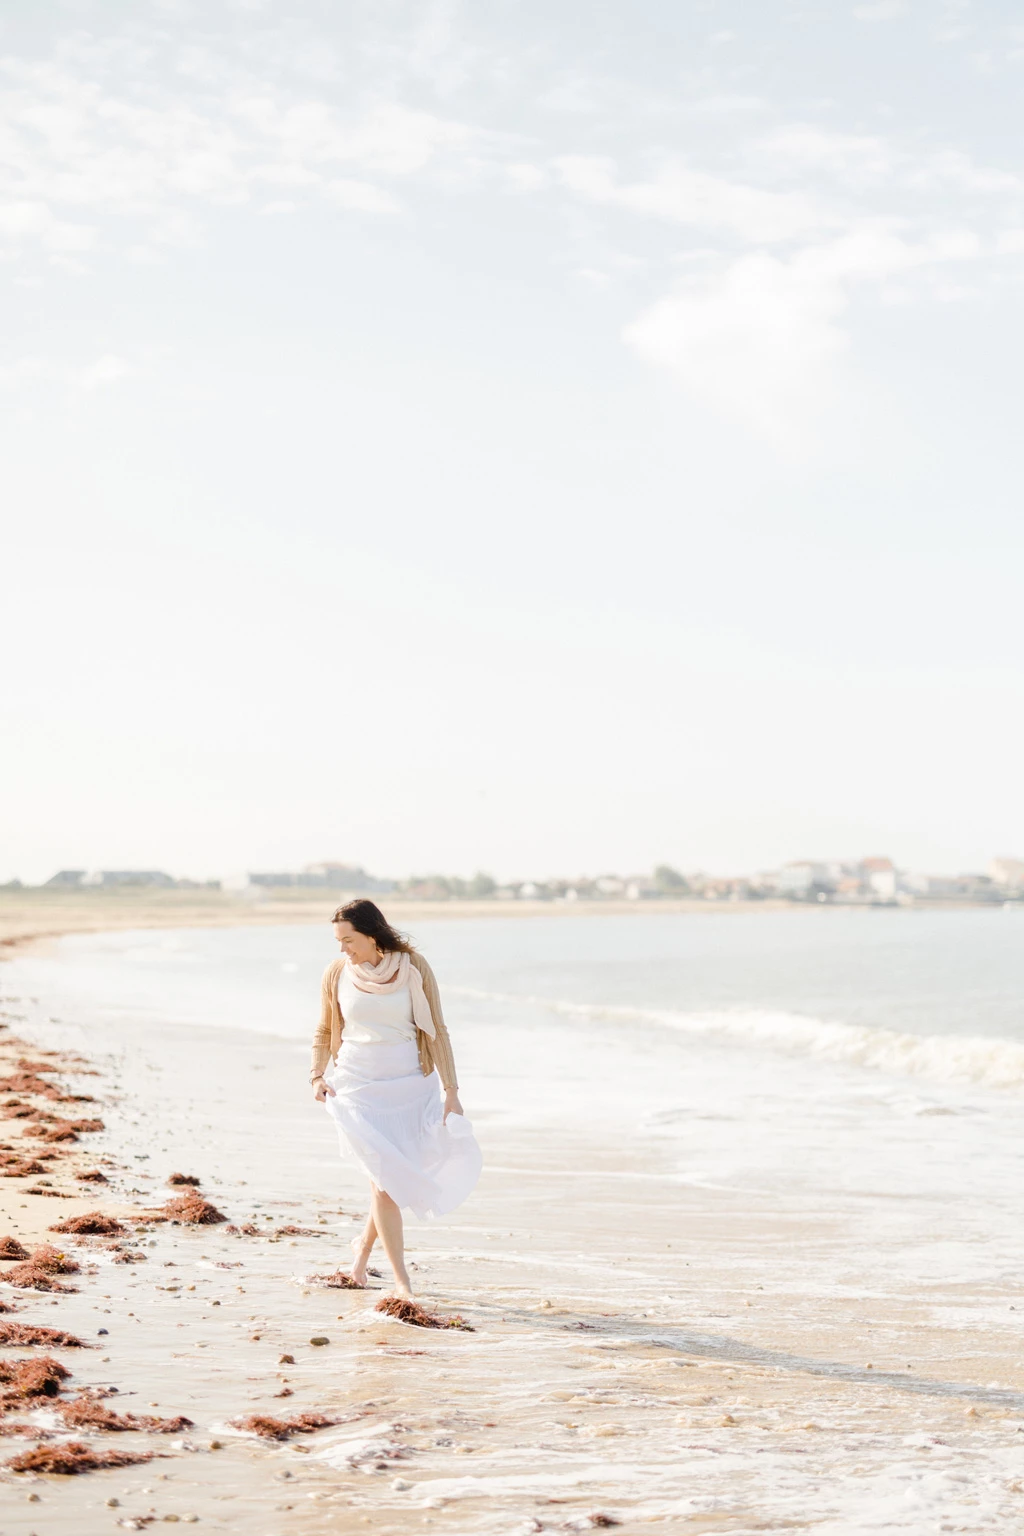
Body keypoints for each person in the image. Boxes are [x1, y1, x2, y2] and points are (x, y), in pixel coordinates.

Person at [310, 899, 481, 1298]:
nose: (342, 949)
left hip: (409, 1085)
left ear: (372, 934)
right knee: (385, 1185)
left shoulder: (413, 967)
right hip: (357, 1086)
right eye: (338, 940)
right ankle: (402, 1283)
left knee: (390, 1178)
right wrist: (317, 1075)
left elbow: (436, 1028)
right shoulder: (337, 972)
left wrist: (451, 1090)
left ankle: (361, 1254)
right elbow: (323, 1028)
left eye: (348, 940)